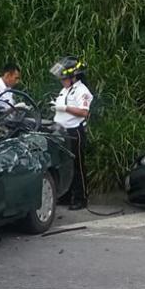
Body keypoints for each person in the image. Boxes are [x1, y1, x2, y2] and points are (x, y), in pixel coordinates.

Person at [50, 56, 93, 210]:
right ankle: (67, 195)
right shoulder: (65, 90)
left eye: (64, 78)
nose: (62, 81)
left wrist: (64, 108)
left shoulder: (82, 91)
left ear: (73, 77)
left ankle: (81, 198)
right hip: (62, 131)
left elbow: (84, 112)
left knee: (77, 165)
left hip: (75, 131)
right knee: (65, 164)